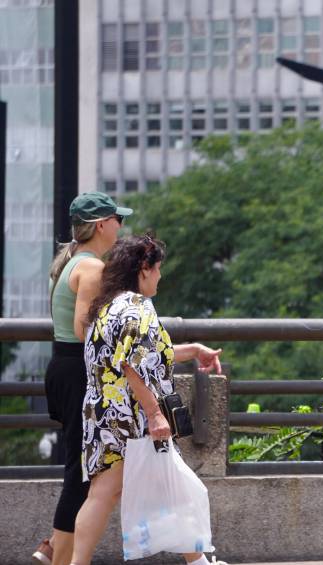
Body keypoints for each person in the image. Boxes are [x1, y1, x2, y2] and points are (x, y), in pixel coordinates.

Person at [70, 234, 225, 565]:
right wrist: (155, 414)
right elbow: (132, 365)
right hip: (131, 416)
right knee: (154, 488)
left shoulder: (107, 305)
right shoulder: (138, 308)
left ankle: (197, 561)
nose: (160, 276)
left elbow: (142, 355)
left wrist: (193, 350)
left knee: (128, 491)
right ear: (144, 268)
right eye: (157, 269)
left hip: (102, 414)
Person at [34, 192, 132, 565]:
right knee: (82, 472)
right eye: (117, 219)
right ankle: (60, 557)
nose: (121, 226)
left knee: (85, 470)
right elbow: (82, 330)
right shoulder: (91, 268)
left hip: (65, 368)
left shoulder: (71, 262)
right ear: (101, 225)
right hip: (78, 372)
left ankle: (53, 548)